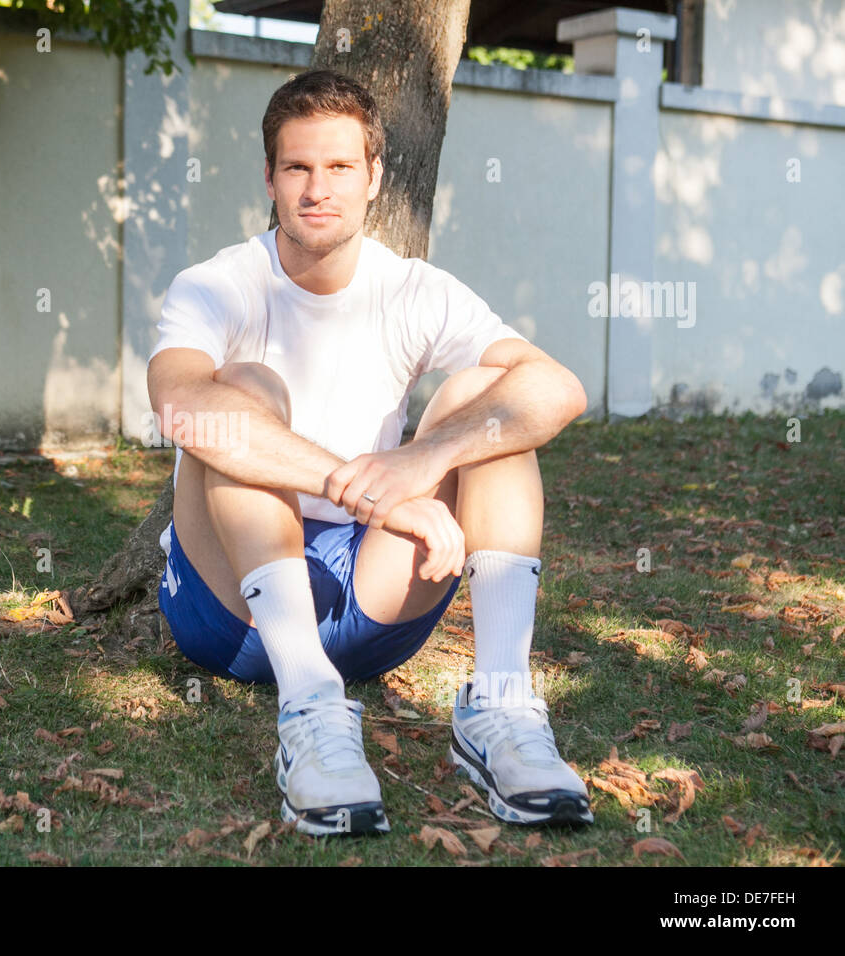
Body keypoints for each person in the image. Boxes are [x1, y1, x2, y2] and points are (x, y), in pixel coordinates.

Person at [146, 69, 592, 836]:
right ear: (270, 178)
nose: (319, 188)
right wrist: (364, 489)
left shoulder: (414, 289)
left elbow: (559, 389)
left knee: (487, 396)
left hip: (372, 601)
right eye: (298, 167)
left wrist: (427, 458)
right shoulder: (217, 284)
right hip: (233, 610)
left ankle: (500, 706)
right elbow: (181, 405)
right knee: (240, 390)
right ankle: (310, 711)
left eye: (341, 166)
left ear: (376, 176)